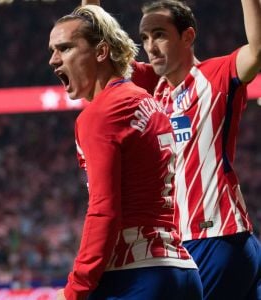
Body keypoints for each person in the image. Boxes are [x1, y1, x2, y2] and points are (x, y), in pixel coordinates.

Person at [82, 0, 261, 299]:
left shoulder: (215, 75)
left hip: (213, 236)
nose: (150, 46)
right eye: (145, 38)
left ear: (188, 37)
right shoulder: (153, 88)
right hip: (216, 242)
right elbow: (100, 61)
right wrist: (90, 6)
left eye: (160, 35)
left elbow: (256, 51)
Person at [48, 4, 203, 300]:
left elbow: (104, 210)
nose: (53, 60)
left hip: (134, 277)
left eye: (64, 48)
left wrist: (75, 290)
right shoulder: (146, 100)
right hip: (181, 271)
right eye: (53, 50)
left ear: (101, 52)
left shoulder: (101, 115)